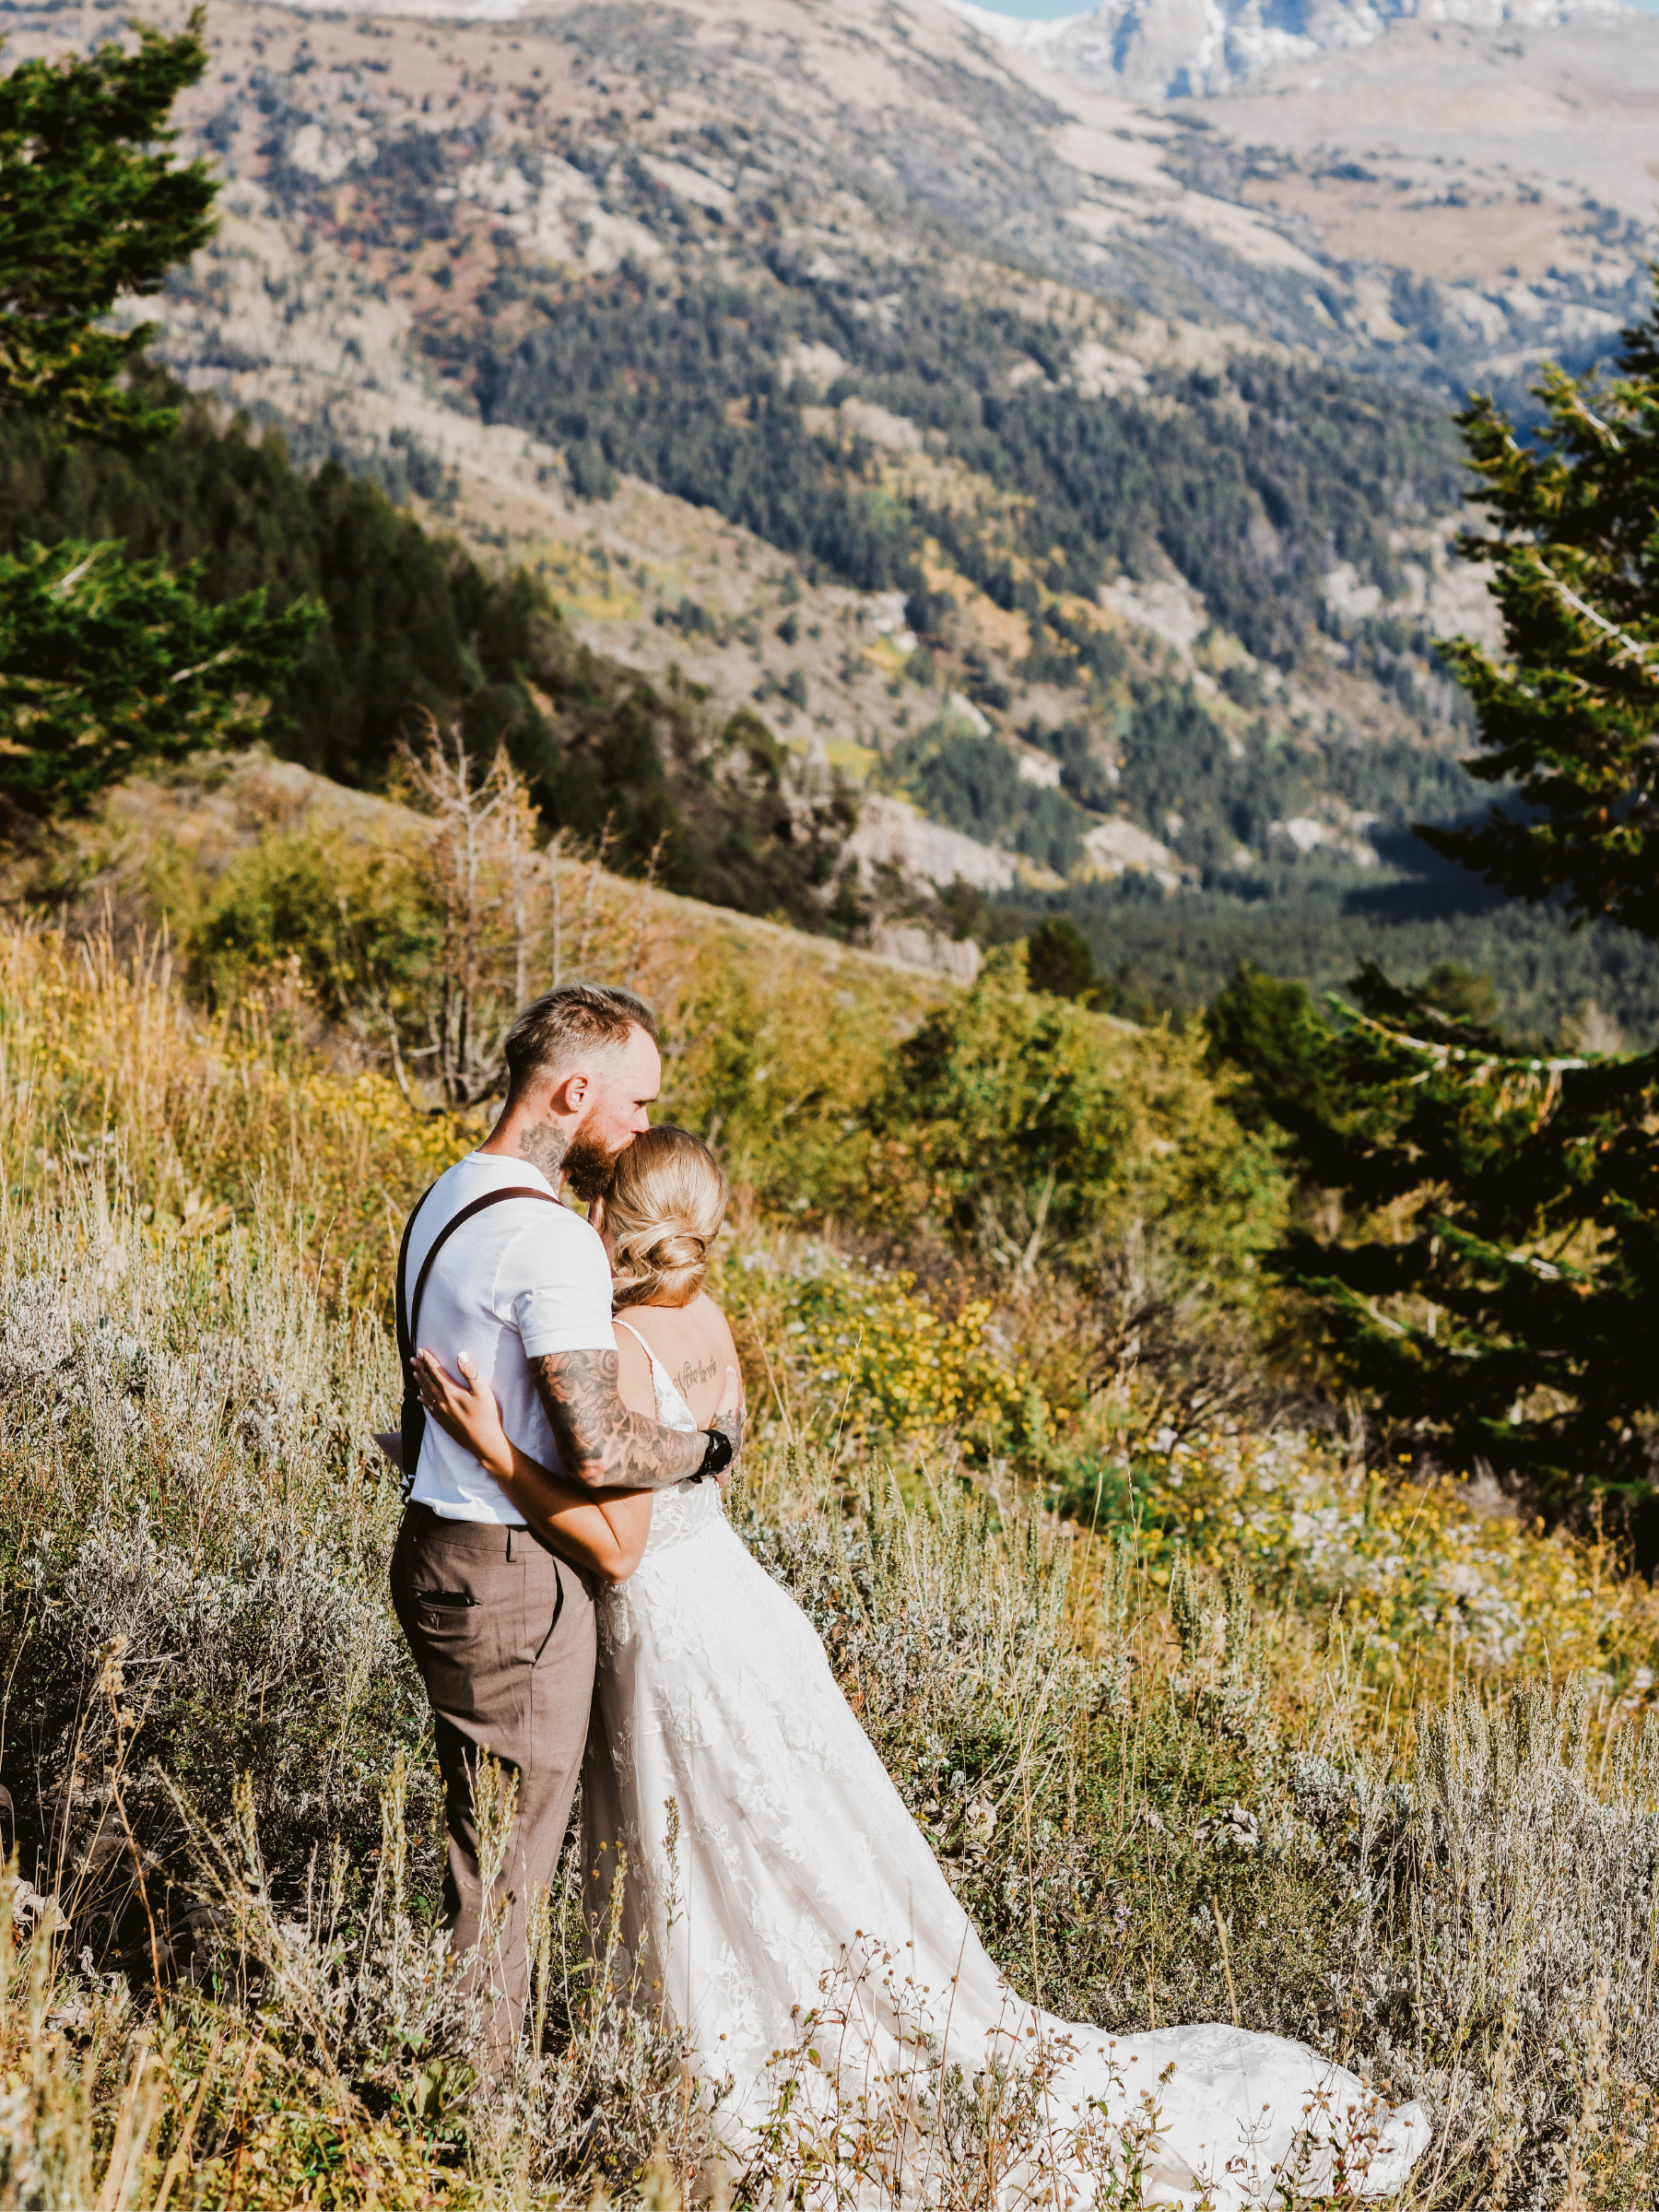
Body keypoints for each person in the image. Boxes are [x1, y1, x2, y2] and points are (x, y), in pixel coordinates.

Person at [412, 1127, 1430, 2207]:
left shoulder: (619, 1341)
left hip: (672, 1637)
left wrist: (494, 1451)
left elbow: (617, 1546)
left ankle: (722, 2075)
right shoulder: (711, 1323)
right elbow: (707, 1473)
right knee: (794, 1851)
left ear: (612, 1211)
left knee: (718, 1856)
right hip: (744, 1610)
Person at [389, 986, 739, 2067]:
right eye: (634, 1104)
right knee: (506, 1868)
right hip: (511, 1575)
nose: (642, 1130)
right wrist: (711, 1449)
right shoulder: (554, 1242)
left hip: (437, 1545)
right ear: (575, 1090)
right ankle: (471, 2112)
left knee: (484, 1844)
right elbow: (602, 1450)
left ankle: (465, 2078)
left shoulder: (449, 1196)